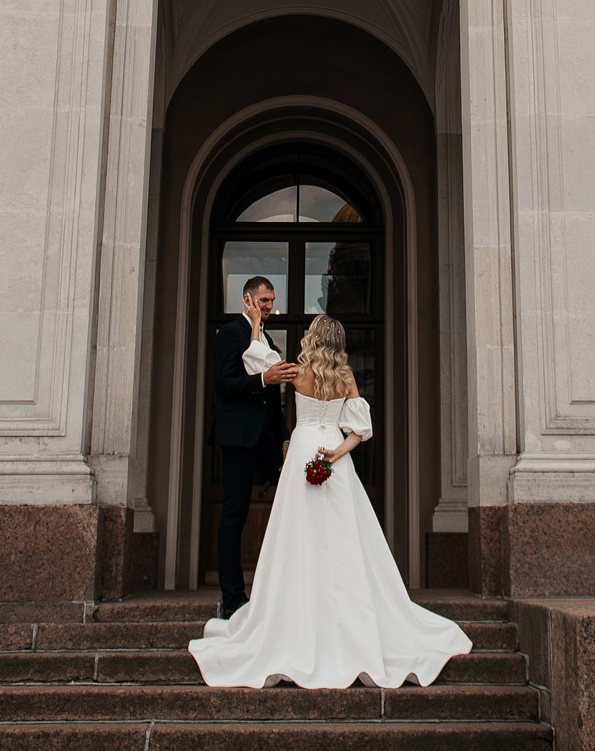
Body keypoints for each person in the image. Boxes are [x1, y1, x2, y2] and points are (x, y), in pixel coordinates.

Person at [190, 314, 472, 689]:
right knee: (344, 539)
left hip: (302, 451)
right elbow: (361, 429)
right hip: (332, 456)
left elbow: (255, 356)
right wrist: (337, 453)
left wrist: (256, 323)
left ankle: (291, 619)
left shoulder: (297, 371)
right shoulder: (347, 377)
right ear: (339, 342)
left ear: (312, 338)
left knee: (296, 538)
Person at [210, 275, 295, 620]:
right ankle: (233, 599)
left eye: (272, 301)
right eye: (264, 301)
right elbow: (223, 383)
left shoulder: (268, 339)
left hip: (269, 441)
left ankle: (286, 591)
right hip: (238, 438)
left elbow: (275, 399)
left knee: (293, 505)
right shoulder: (229, 334)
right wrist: (263, 379)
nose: (269, 308)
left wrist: (287, 436)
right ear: (246, 300)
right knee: (234, 514)